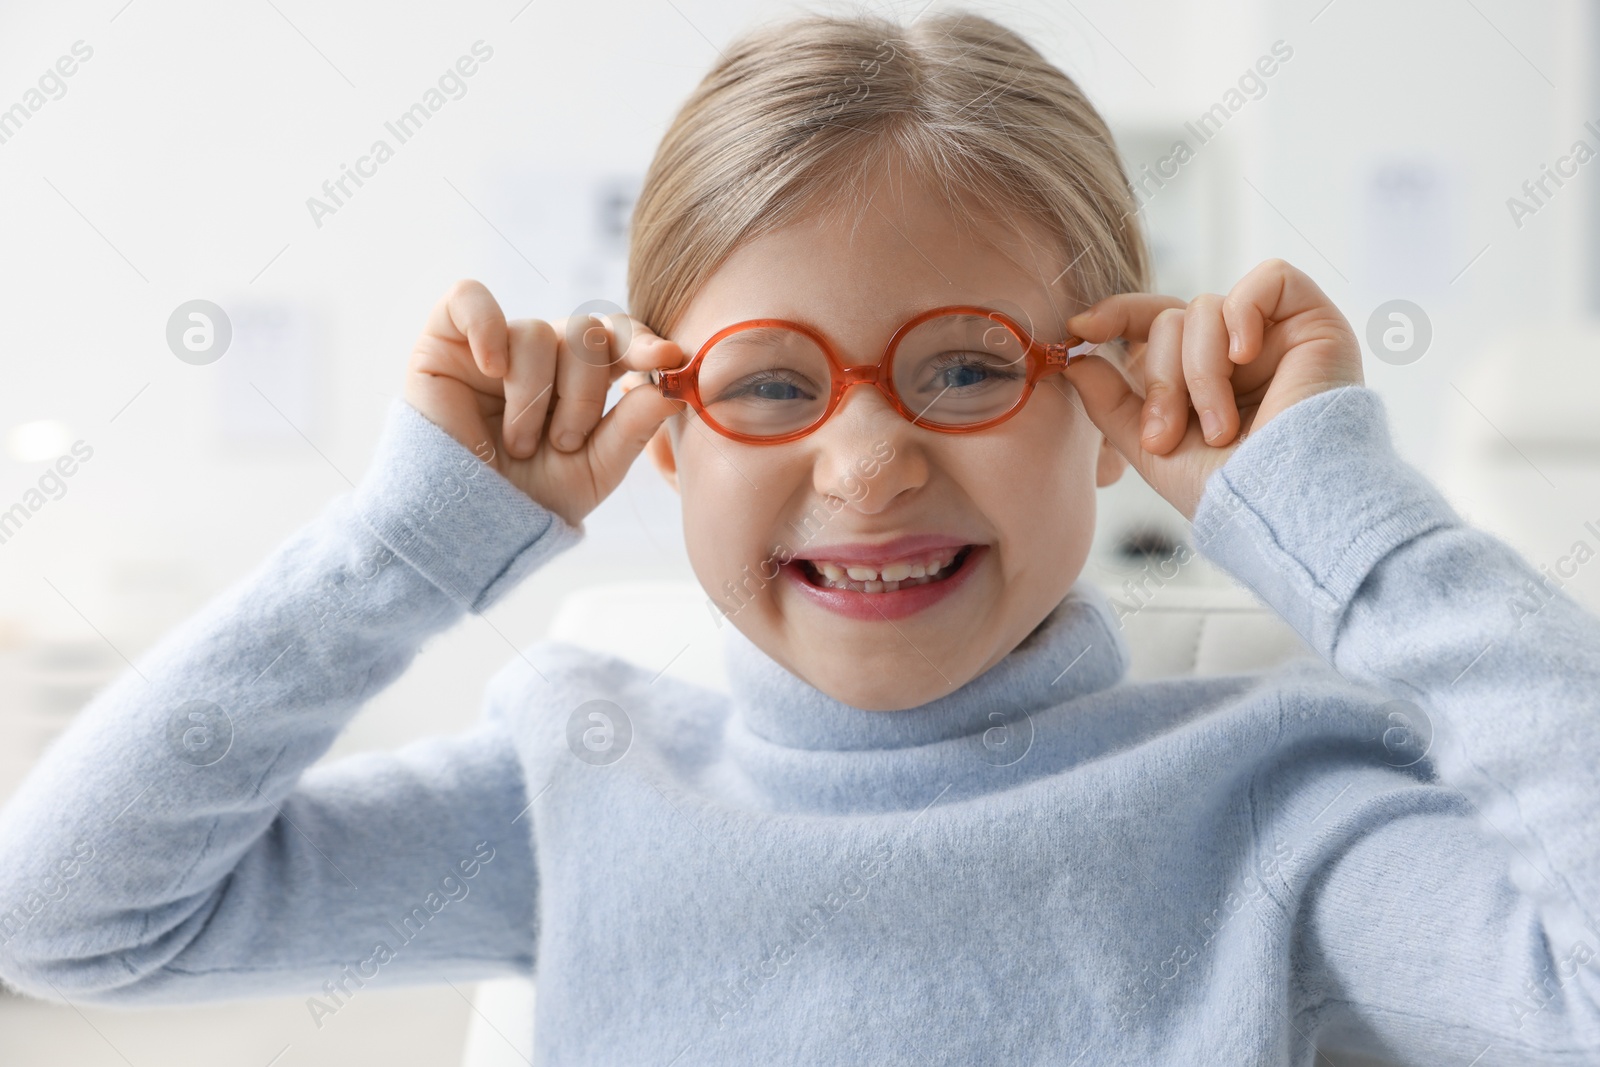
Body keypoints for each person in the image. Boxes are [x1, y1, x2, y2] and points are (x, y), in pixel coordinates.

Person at [2, 9, 1597, 1065]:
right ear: (672, 430)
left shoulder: (1275, 809)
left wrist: (1349, 528)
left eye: (967, 367)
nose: (868, 464)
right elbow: (65, 918)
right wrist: (405, 548)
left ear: (1105, 404)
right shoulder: (580, 781)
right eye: (770, 385)